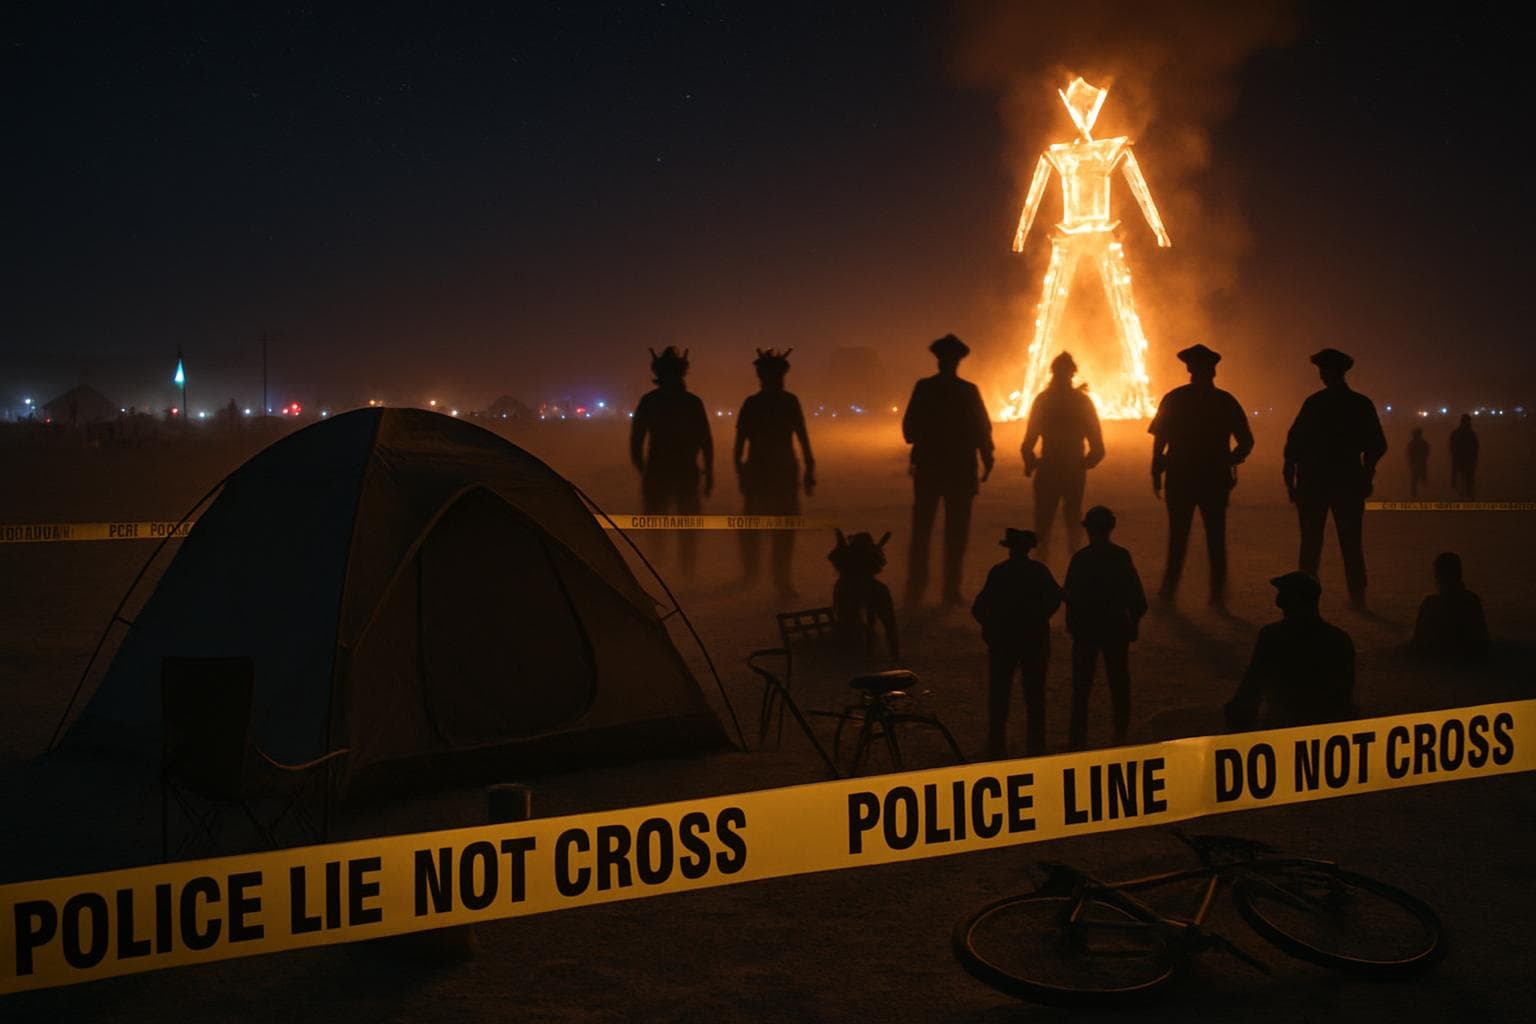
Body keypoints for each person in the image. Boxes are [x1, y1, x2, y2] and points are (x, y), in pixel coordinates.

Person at [1148, 343, 1254, 605]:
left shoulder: (1174, 398)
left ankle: (1170, 590)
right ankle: (1217, 593)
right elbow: (1246, 441)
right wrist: (1230, 459)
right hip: (1213, 479)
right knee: (1215, 536)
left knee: (1178, 536)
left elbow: (1159, 441)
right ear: (1213, 372)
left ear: (1189, 370)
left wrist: (1156, 470)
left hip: (1182, 478)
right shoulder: (1225, 401)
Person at [1283, 348, 1388, 608]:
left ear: (1330, 373)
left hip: (1314, 483)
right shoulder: (1360, 404)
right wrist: (1366, 473)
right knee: (1350, 541)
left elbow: (1293, 444)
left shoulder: (1314, 403)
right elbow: (1377, 444)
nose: (1322, 375)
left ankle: (1304, 598)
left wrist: (1290, 479)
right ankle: (1357, 595)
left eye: (1324, 371)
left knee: (1310, 543)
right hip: (1347, 482)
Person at [901, 334, 995, 607]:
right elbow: (983, 430)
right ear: (957, 362)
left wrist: (925, 440)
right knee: (956, 532)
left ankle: (916, 588)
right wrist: (987, 459)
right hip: (961, 471)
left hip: (930, 469)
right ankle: (950, 590)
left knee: (922, 530)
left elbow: (908, 430)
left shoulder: (924, 388)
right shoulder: (968, 391)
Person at [1225, 572, 1356, 731]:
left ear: (1293, 600)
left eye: (1283, 595)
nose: (1279, 600)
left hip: (1283, 723)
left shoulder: (1273, 636)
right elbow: (1344, 691)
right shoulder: (1339, 639)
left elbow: (1253, 683)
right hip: (1328, 726)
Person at [972, 528, 1062, 759]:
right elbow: (1055, 597)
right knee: (1034, 694)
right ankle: (1036, 743)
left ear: (1010, 549)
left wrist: (989, 628)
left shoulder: (999, 572)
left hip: (1003, 641)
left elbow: (979, 607)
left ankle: (996, 743)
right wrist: (1041, 617)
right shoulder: (1039, 572)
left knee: (999, 693)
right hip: (1033, 640)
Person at [1063, 506, 1147, 750]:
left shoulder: (1081, 559)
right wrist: (1133, 622)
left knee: (1081, 685)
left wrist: (1073, 624)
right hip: (1115, 628)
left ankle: (1077, 738)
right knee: (1119, 681)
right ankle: (1121, 733)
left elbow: (1069, 595)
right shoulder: (1121, 556)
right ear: (1111, 528)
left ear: (1088, 530)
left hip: (1086, 630)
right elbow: (1138, 598)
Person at [734, 348, 815, 598]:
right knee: (773, 529)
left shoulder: (759, 403)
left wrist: (810, 468)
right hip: (771, 472)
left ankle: (769, 576)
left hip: (773, 473)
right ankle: (764, 576)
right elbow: (801, 437)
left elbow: (739, 445)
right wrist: (809, 468)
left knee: (770, 528)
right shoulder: (784, 402)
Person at [630, 346, 713, 577]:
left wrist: (644, 470)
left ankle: (666, 573)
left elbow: (636, 443)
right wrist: (709, 472)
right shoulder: (691, 402)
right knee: (681, 526)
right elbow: (705, 441)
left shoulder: (650, 402)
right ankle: (681, 571)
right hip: (681, 472)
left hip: (662, 472)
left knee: (662, 526)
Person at [1020, 352, 1104, 562]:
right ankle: (1076, 567)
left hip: (1048, 468)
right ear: (1072, 374)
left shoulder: (1043, 400)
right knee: (1073, 519)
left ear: (1053, 373)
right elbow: (1098, 447)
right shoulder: (1082, 402)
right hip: (1073, 470)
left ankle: (1040, 566)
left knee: (1043, 520)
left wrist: (1031, 463)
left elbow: (1028, 442)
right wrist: (1083, 464)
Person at [829, 530, 899, 658]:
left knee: (849, 618)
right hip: (861, 586)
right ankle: (892, 650)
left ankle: (888, 649)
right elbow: (879, 563)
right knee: (887, 622)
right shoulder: (857, 555)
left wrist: (841, 543)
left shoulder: (846, 555)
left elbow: (835, 558)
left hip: (852, 587)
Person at [1411, 552, 1488, 661]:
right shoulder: (1472, 601)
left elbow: (1418, 642)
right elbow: (1483, 641)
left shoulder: (1431, 605)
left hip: (1440, 661)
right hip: (1469, 661)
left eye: (1437, 575)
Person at [1450, 414, 1479, 499]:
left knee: (1461, 477)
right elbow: (1476, 447)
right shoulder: (1471, 433)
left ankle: (1462, 494)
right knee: (1467, 478)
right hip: (1466, 459)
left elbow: (1451, 446)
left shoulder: (1456, 433)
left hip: (1460, 459)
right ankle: (1466, 494)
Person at [1407, 427, 1430, 498]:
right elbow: (1427, 451)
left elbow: (1409, 452)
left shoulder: (1412, 443)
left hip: (1416, 462)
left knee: (1415, 478)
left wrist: (1411, 461)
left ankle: (1415, 492)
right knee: (1420, 476)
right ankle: (1422, 490)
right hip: (1421, 462)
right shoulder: (1423, 442)